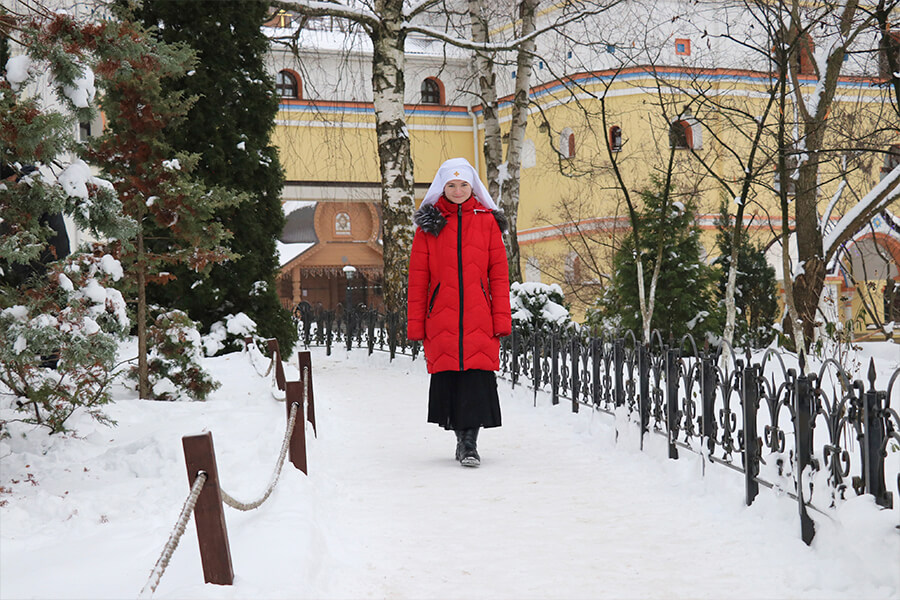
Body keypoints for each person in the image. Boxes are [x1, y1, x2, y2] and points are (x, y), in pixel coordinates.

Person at [407, 157, 512, 467]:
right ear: (443, 186)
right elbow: (418, 279)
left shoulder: (487, 221)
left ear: (472, 187)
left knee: (477, 381)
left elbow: (499, 275)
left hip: (480, 316)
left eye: (463, 184)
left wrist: (501, 319)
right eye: (451, 185)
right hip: (441, 316)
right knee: (452, 380)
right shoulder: (430, 225)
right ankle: (460, 438)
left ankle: (470, 442)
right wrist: (416, 325)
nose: (457, 190)